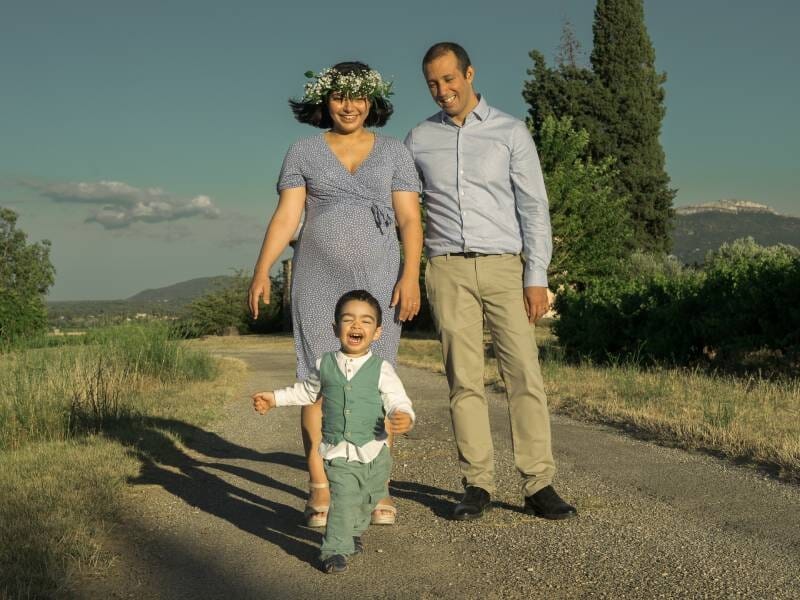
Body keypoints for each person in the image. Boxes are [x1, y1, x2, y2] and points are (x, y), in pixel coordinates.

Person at [404, 42, 577, 521]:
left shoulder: (510, 132)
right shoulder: (417, 139)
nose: (443, 91)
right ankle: (476, 483)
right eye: (433, 84)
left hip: (506, 266)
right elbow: (402, 207)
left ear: (469, 73)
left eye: (449, 79)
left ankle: (538, 482)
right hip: (447, 268)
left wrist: (536, 276)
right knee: (464, 379)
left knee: (524, 374)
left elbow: (533, 208)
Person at [248, 61, 422, 528]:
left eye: (359, 96)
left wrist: (410, 276)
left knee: (375, 384)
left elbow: (409, 220)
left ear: (373, 101)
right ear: (325, 101)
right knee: (318, 381)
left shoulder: (394, 153)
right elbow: (287, 216)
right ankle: (320, 487)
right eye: (340, 96)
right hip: (316, 279)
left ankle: (376, 487)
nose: (350, 105)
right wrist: (262, 269)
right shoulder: (303, 150)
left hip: (380, 280)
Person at [252, 290, 415, 573]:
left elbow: (397, 399)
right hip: (338, 450)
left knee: (368, 496)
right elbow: (305, 391)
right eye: (348, 319)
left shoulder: (381, 369)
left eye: (365, 321)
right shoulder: (324, 364)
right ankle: (334, 549)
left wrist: (403, 415)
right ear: (335, 328)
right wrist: (275, 398)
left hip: (375, 451)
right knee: (342, 498)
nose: (356, 326)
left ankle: (351, 531)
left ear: (377, 333)